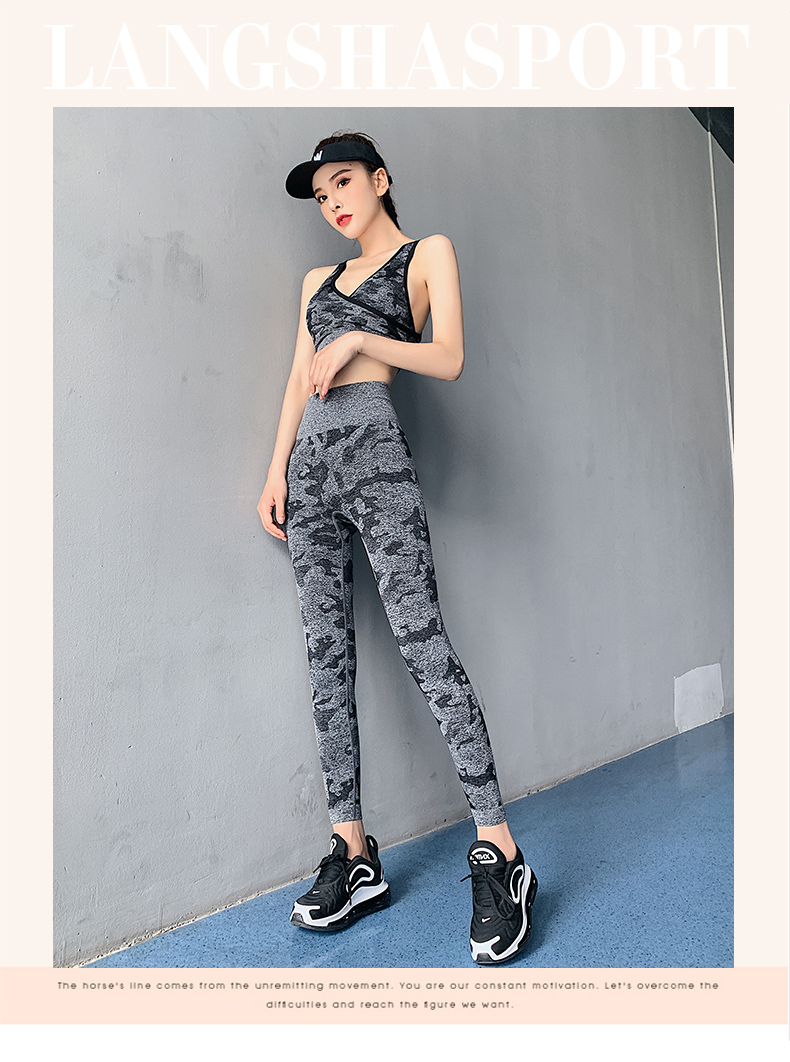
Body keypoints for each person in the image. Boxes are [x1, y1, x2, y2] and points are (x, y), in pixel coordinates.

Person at [257, 132, 537, 965]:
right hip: (309, 475)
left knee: (424, 645)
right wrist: (274, 470)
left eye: (343, 182)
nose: (333, 203)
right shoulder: (316, 281)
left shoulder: (427, 253)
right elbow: (296, 378)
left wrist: (362, 342)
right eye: (321, 195)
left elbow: (448, 358)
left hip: (376, 460)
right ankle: (352, 852)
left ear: (380, 180)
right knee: (326, 663)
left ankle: (501, 851)